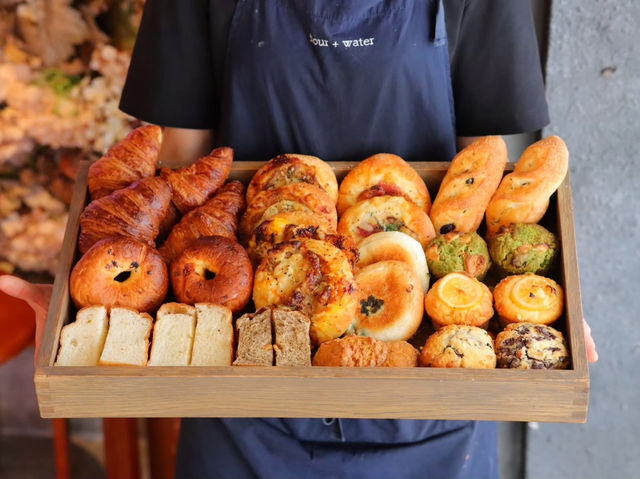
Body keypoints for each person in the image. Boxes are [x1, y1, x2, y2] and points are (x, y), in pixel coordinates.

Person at [0, 1, 599, 478]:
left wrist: (546, 304)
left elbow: (487, 181)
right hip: (242, 393)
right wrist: (91, 301)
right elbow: (183, 176)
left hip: (432, 399)